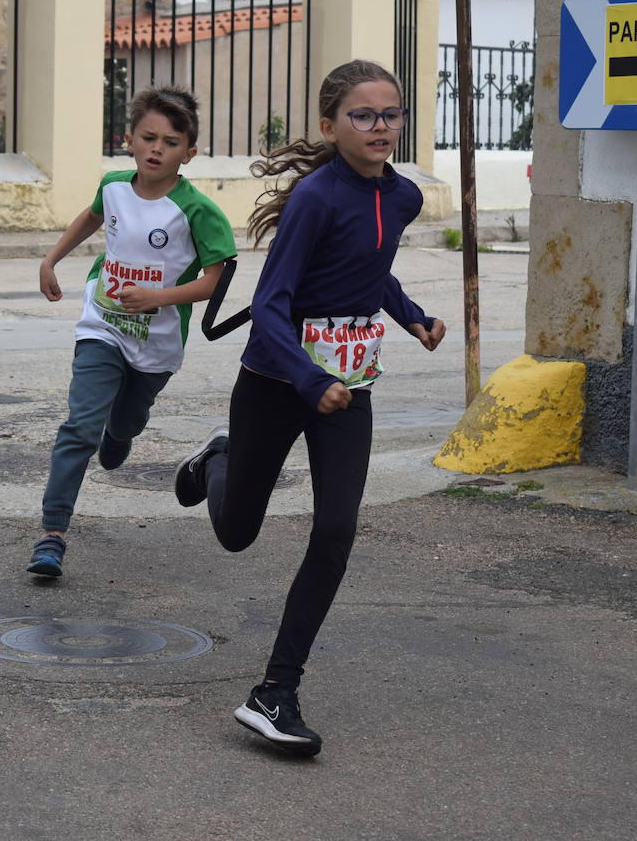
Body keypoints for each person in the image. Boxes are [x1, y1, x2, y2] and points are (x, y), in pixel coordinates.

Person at [173, 60, 447, 755]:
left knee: (336, 532)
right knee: (238, 533)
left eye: (391, 114)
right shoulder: (316, 200)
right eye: (364, 115)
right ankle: (218, 459)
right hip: (276, 380)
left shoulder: (405, 196)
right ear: (331, 126)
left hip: (348, 386)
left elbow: (369, 270)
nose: (381, 126)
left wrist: (411, 316)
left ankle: (275, 692)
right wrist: (304, 376)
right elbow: (270, 305)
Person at [28, 86, 236, 577]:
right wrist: (51, 258)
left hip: (156, 343)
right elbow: (92, 215)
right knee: (79, 426)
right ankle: (52, 535)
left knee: (122, 423)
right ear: (129, 139)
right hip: (102, 324)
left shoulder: (199, 212)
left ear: (189, 152)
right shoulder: (116, 185)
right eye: (148, 138)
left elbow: (215, 281)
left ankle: (120, 433)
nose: (156, 149)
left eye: (169, 141)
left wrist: (158, 298)